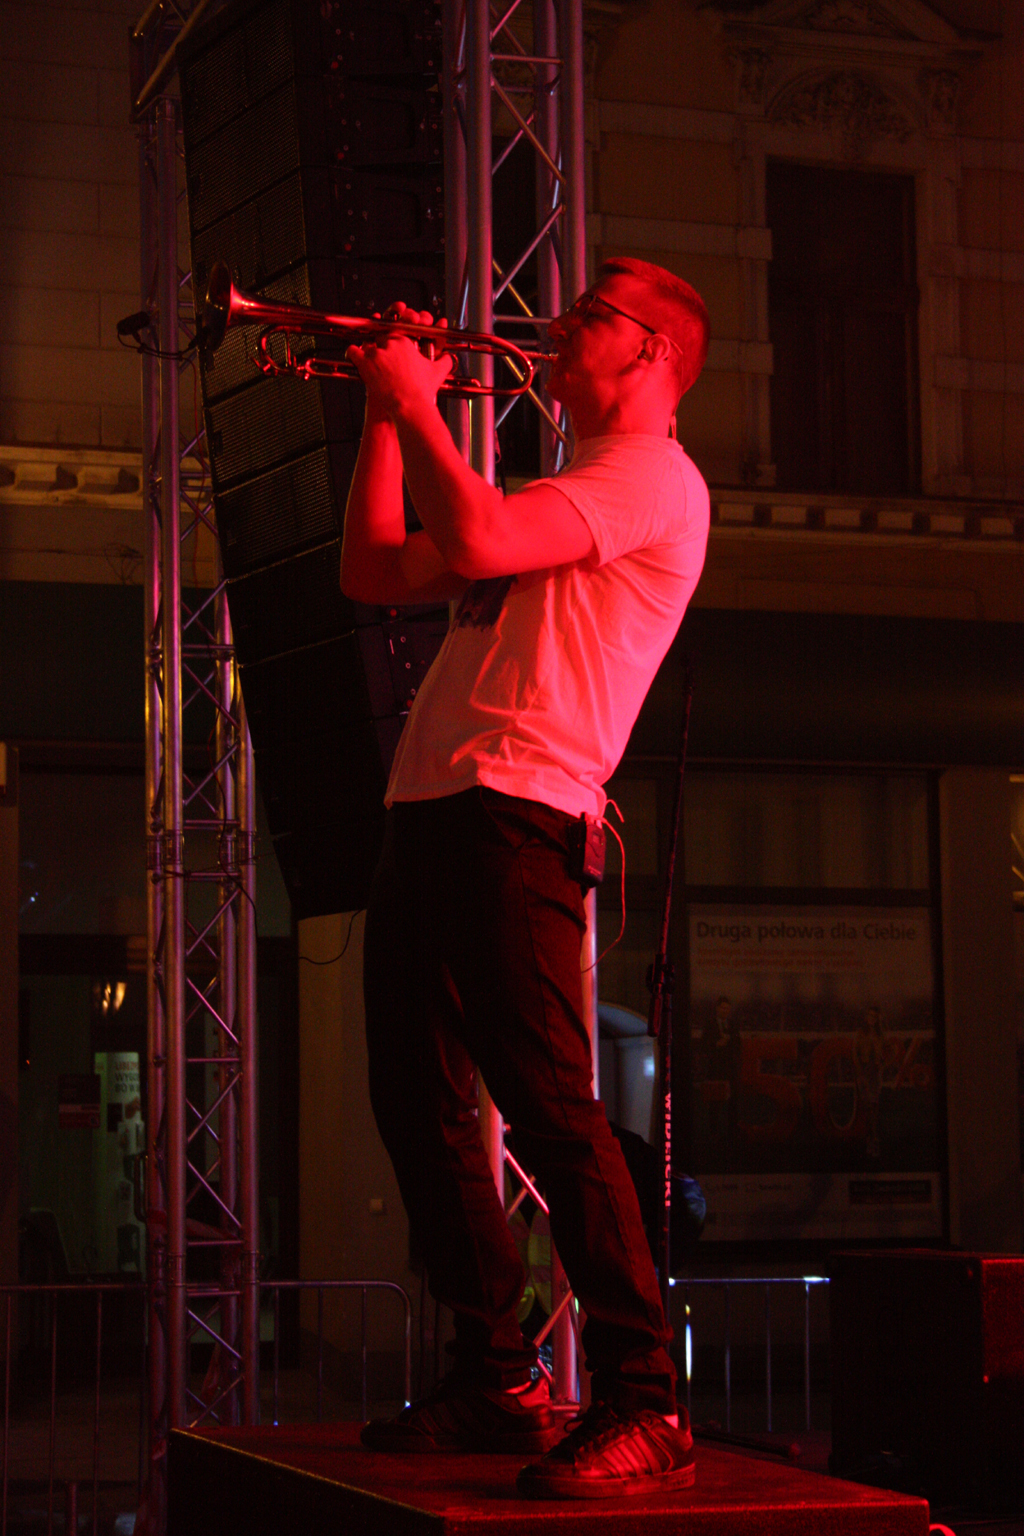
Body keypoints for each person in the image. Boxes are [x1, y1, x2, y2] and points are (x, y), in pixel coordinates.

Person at [340, 257, 710, 1499]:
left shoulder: (650, 477)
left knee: (550, 1109)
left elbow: (480, 535)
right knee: (419, 1105)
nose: (556, 324)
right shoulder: (564, 488)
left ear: (652, 351)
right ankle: (494, 1375)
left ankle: (644, 1398)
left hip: (519, 808)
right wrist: (386, 419)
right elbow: (374, 570)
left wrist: (416, 402)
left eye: (592, 313)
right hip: (434, 808)